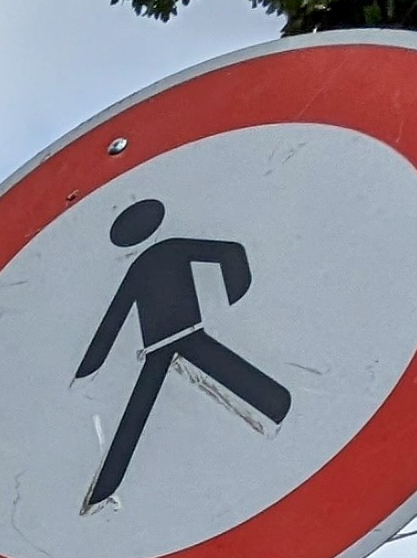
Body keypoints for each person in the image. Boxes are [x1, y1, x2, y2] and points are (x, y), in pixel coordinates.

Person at [74, 197, 287, 509]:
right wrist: (89, 364)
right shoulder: (153, 258)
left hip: (183, 336)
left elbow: (228, 253)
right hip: (164, 345)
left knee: (144, 405)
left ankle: (280, 404)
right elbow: (116, 316)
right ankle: (105, 486)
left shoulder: (166, 252)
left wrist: (232, 295)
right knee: (142, 405)